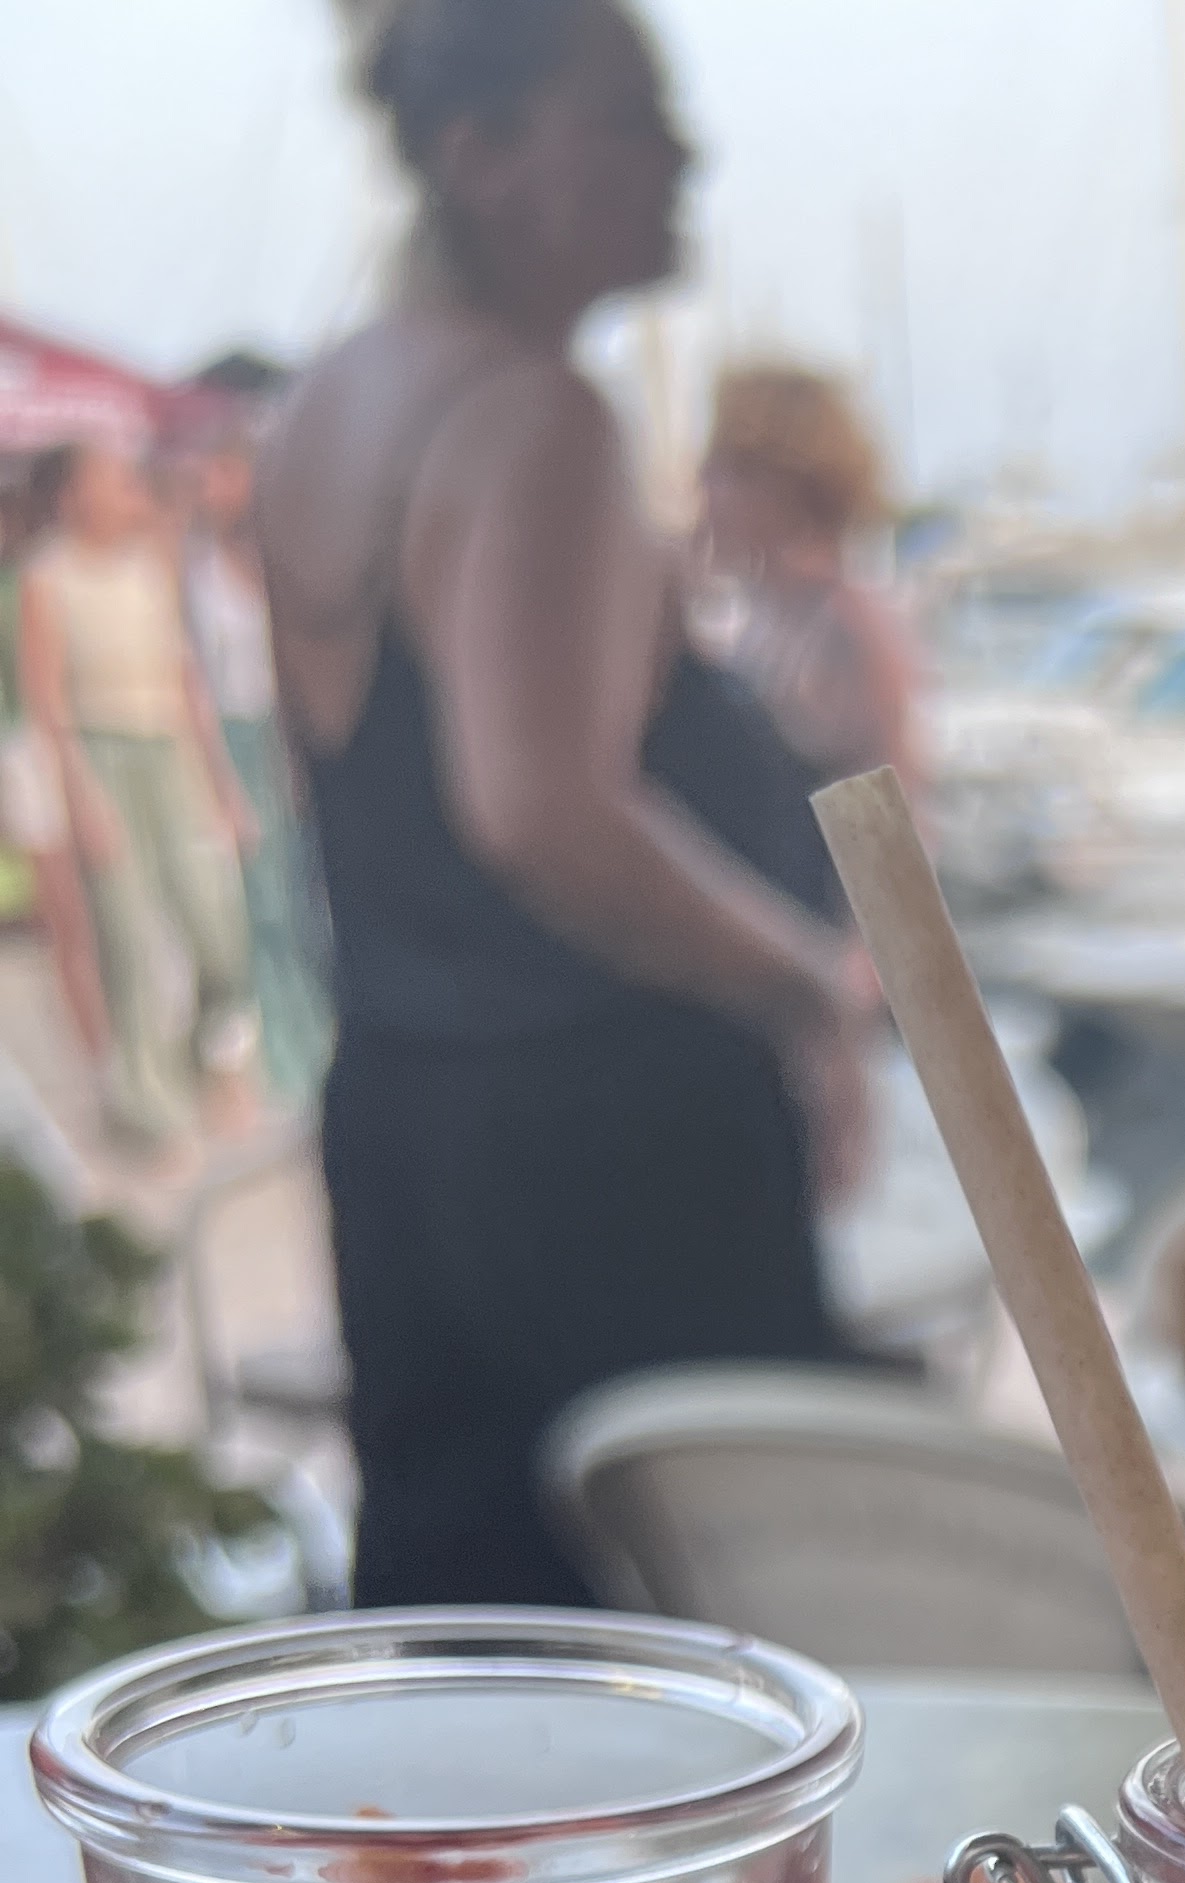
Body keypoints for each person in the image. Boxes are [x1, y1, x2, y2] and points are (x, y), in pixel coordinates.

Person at [258, 0, 871, 1609]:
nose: (684, 157)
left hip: (409, 1123)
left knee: (463, 1627)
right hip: (608, 1161)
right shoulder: (536, 418)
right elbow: (541, 814)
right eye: (630, 118)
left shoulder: (329, 404)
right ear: (481, 159)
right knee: (684, 1657)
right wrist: (811, 987)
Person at [17, 440, 259, 1151]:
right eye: (113, 480)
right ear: (72, 497)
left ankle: (213, 1059)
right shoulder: (47, 578)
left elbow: (188, 684)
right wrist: (83, 799)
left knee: (217, 926)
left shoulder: (152, 565)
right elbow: (47, 705)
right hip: (103, 756)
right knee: (125, 936)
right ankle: (148, 1107)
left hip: (169, 753)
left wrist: (222, 785)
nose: (130, 490)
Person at [696, 363, 920, 837]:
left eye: (733, 470)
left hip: (822, 881)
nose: (705, 487)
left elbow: (888, 821)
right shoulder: (763, 615)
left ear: (788, 485)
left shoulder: (849, 623)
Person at [179, 425, 335, 1104]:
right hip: (237, 736)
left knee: (312, 891)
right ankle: (290, 1055)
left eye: (224, 473)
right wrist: (220, 781)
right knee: (264, 899)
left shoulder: (285, 553)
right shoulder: (194, 568)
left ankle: (332, 1033)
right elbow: (193, 682)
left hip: (289, 730)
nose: (212, 488)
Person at [0, 464, 113, 1088]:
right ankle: (98, 1059)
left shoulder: (46, 573)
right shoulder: (35, 577)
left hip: (72, 741)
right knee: (70, 917)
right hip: (26, 752)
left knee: (100, 910)